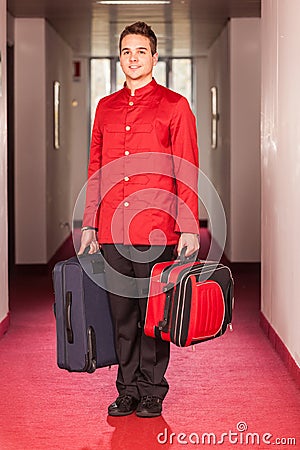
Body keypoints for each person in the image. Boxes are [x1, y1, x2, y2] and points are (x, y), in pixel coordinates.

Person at [79, 21, 200, 418]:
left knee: (152, 315)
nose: (133, 58)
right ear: (119, 58)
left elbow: (186, 168)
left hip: (156, 227)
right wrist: (90, 224)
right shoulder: (105, 107)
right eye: (127, 52)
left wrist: (188, 226)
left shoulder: (175, 105)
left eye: (141, 52)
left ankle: (152, 390)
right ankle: (126, 389)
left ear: (154, 57)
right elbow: (96, 167)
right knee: (122, 315)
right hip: (112, 228)